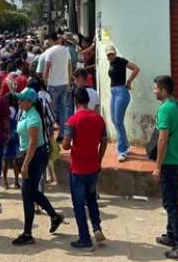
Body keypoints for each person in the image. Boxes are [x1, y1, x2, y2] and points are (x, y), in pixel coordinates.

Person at [11, 87, 64, 246]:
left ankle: (28, 233)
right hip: (30, 155)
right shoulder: (26, 113)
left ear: (30, 101)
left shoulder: (33, 117)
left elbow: (33, 143)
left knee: (27, 194)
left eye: (22, 99)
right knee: (31, 192)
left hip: (34, 157)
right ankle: (54, 216)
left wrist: (25, 165)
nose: (19, 102)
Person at [62, 88, 107, 250]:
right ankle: (97, 227)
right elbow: (104, 141)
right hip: (93, 166)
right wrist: (99, 160)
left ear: (75, 101)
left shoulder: (72, 120)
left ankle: (84, 237)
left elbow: (66, 145)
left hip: (78, 169)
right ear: (88, 100)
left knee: (79, 204)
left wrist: (66, 144)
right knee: (92, 200)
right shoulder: (99, 118)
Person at [151, 75, 178, 260]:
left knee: (170, 204)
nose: (154, 91)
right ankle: (171, 235)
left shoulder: (164, 109)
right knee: (172, 199)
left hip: (168, 162)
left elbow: (162, 138)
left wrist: (157, 166)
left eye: (156, 88)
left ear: (163, 90)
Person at [105, 44, 140, 162]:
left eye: (112, 54)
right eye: (108, 54)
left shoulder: (121, 61)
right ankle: (125, 145)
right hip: (114, 92)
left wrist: (129, 81)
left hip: (121, 92)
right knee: (115, 121)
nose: (110, 56)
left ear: (115, 53)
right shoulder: (111, 63)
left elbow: (136, 68)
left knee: (118, 121)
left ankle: (122, 151)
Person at [42, 33, 72, 141]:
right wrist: (69, 82)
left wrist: (44, 83)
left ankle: (50, 134)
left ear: (51, 39)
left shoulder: (49, 51)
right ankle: (62, 134)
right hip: (64, 84)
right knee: (63, 110)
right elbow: (69, 67)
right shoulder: (66, 50)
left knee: (50, 111)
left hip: (53, 85)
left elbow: (46, 69)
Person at [2, 96, 21, 190]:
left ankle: (5, 182)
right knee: (15, 160)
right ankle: (16, 181)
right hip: (16, 136)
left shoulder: (7, 110)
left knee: (5, 160)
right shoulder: (18, 111)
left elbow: (6, 122)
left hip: (7, 136)